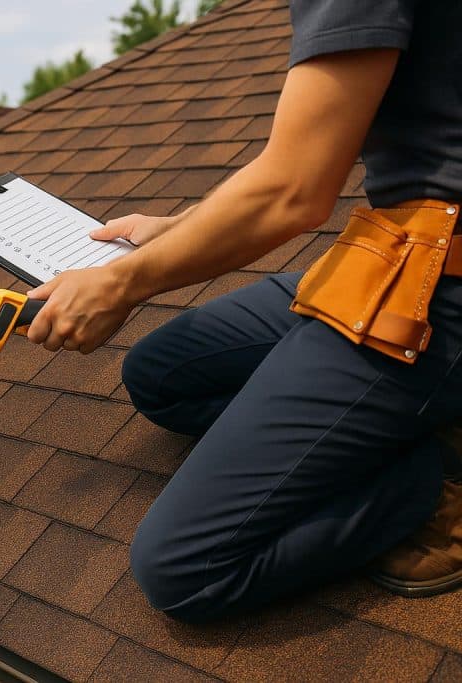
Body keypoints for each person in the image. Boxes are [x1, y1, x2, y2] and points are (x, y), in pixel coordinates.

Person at [24, 0, 462, 622]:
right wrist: (180, 230)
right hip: (397, 255)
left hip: (436, 298)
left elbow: (293, 191)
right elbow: (302, 163)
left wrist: (119, 284)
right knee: (162, 376)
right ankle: (377, 423)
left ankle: (427, 484)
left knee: (185, 569)